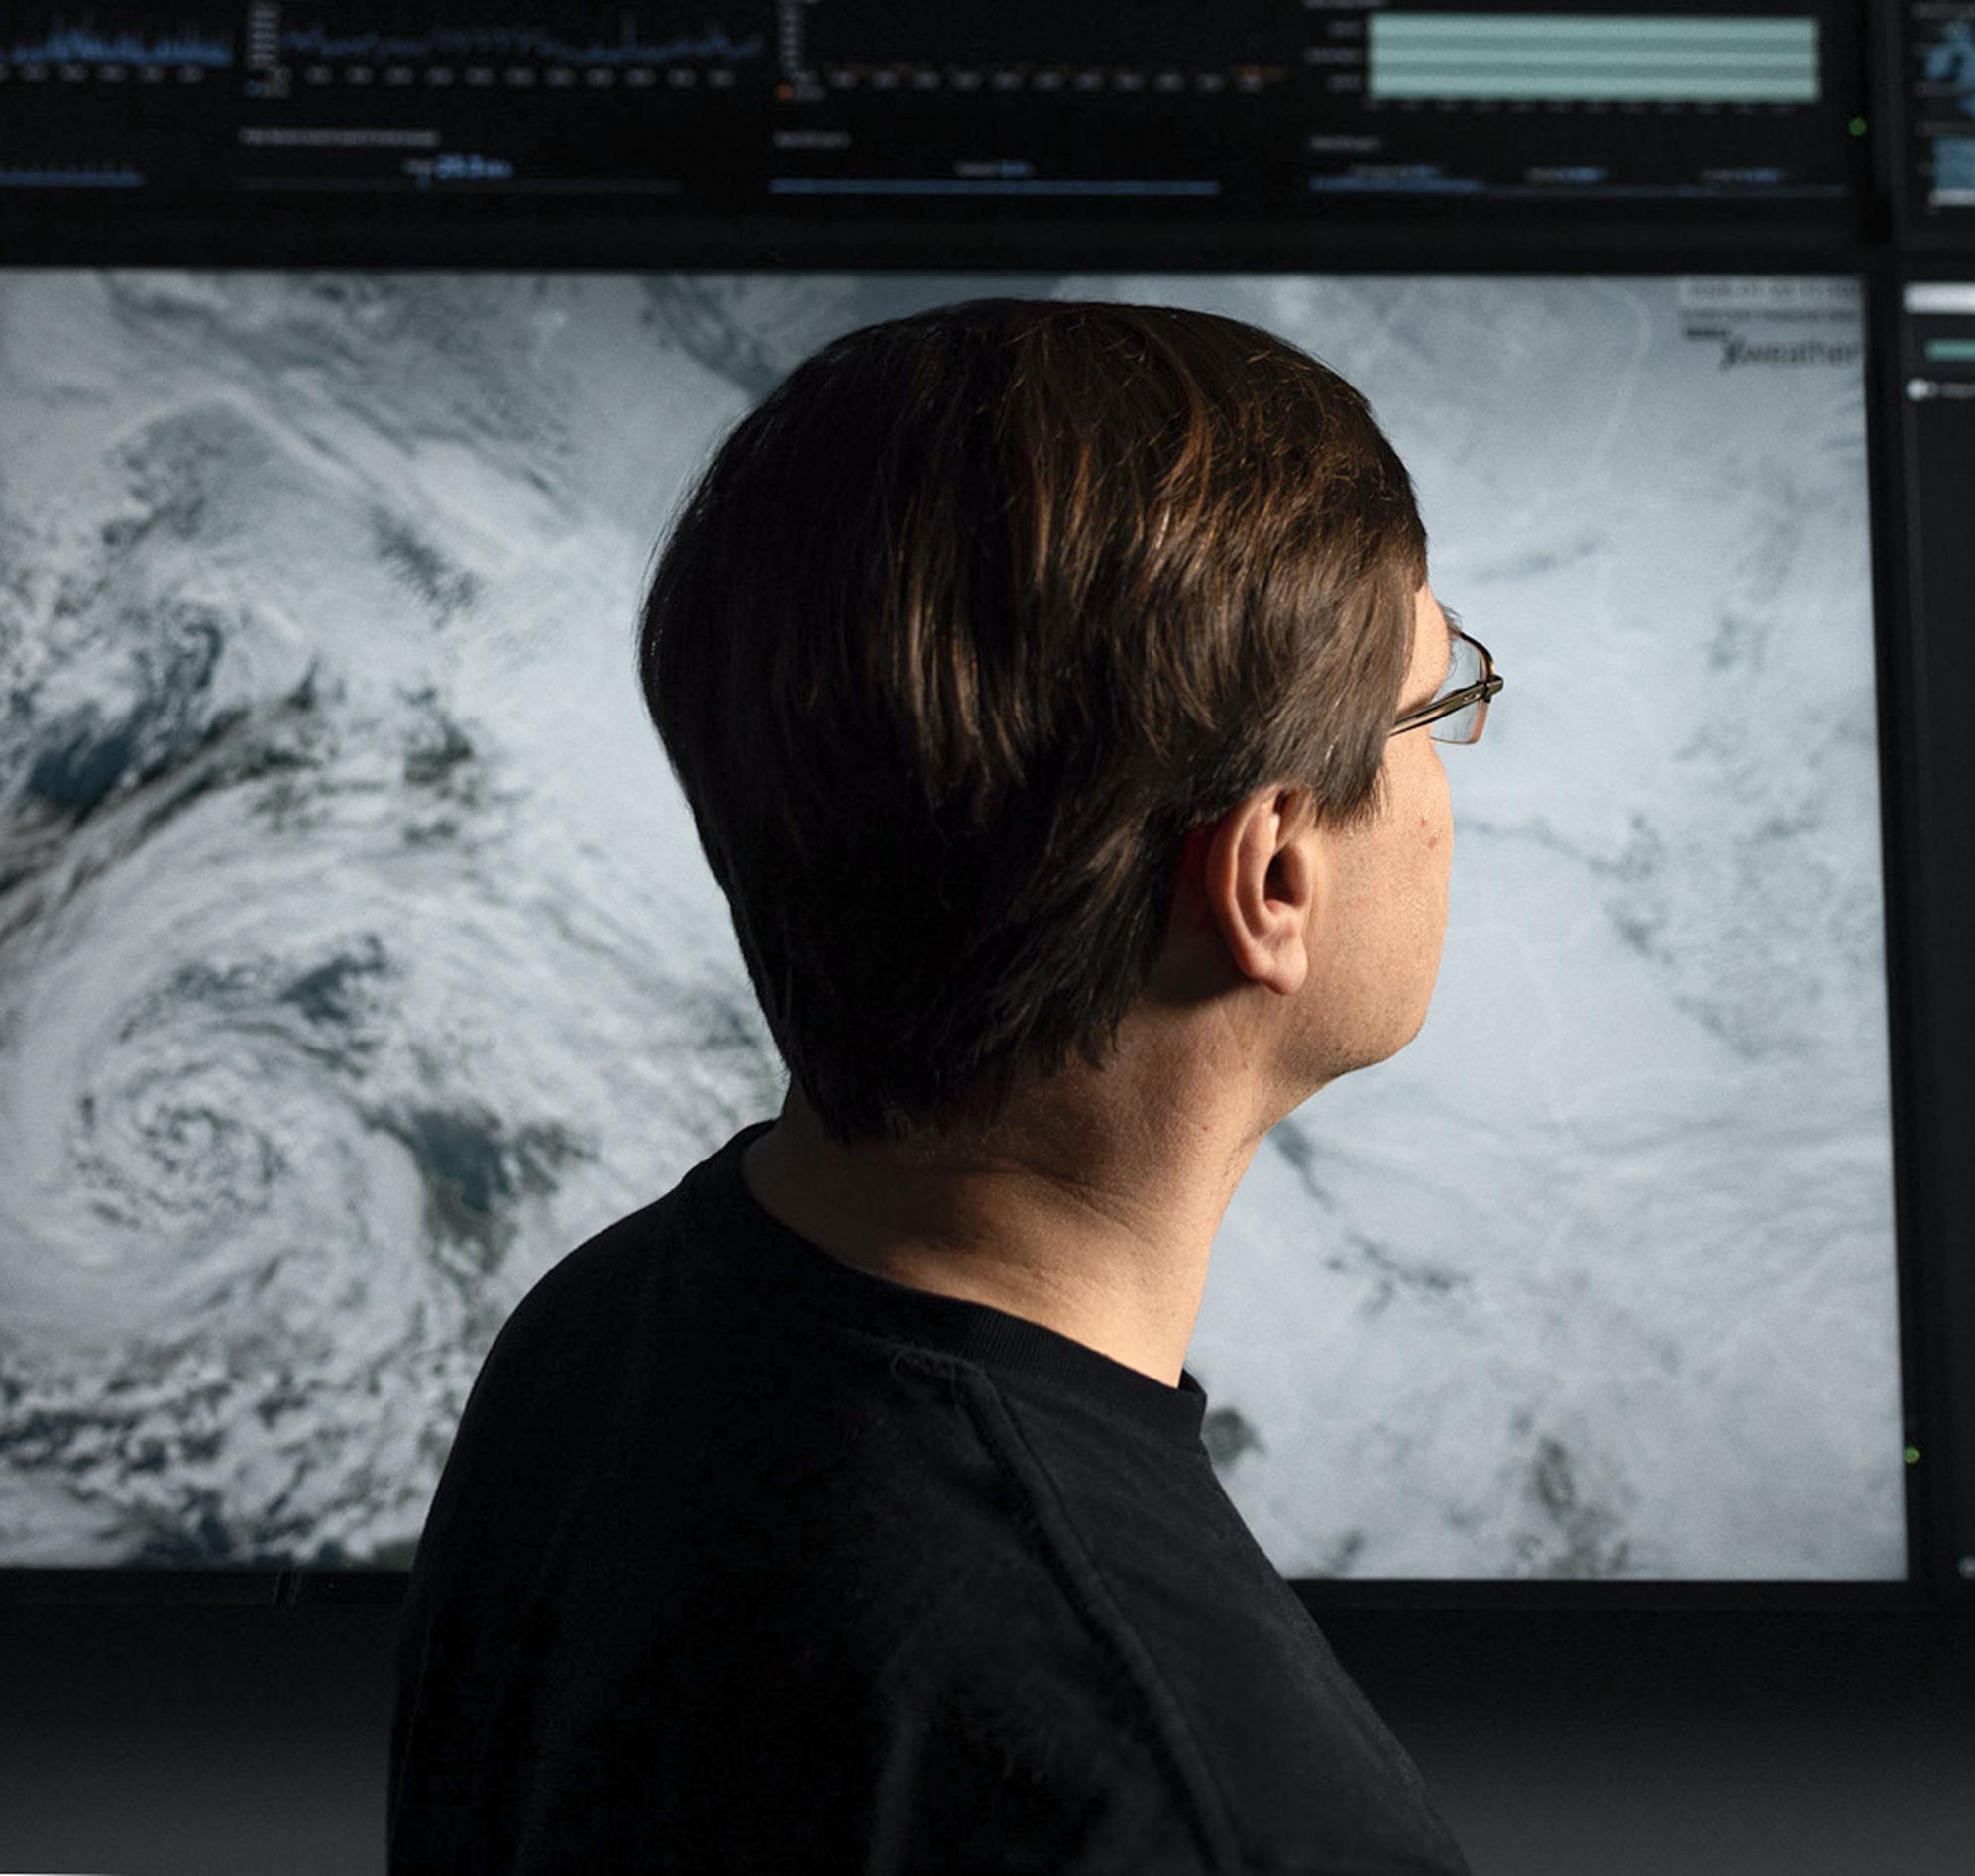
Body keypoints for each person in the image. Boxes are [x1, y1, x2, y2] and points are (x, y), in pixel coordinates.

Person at [391, 299, 1483, 1875]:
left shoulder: (599, 1334)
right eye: (1439, 703)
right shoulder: (1211, 1809)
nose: (1454, 781)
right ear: (1275, 872)